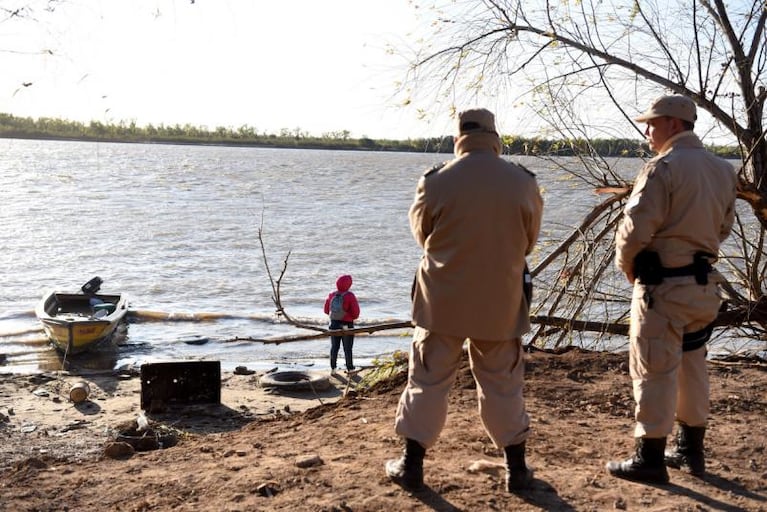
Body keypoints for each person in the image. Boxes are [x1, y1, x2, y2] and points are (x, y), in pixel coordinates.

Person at [385, 108, 544, 492]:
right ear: (495, 136)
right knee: (503, 383)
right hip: (501, 301)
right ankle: (517, 469)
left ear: (458, 138)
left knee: (428, 378)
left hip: (442, 300)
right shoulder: (522, 181)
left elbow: (422, 235)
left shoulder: (436, 181)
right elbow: (530, 239)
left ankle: (411, 464)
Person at [606, 94, 737, 484]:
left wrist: (627, 266)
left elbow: (635, 228)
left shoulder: (662, 168)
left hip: (662, 287)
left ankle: (649, 457)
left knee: (653, 369)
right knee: (693, 368)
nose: (647, 130)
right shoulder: (722, 170)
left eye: (652, 123)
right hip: (702, 287)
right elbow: (723, 228)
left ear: (674, 125)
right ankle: (690, 451)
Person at [323, 274, 360, 373]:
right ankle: (350, 368)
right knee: (347, 348)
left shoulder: (331, 294)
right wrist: (347, 316)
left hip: (334, 324)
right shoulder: (350, 295)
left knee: (334, 347)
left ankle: (333, 368)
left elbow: (326, 310)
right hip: (347, 325)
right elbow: (356, 314)